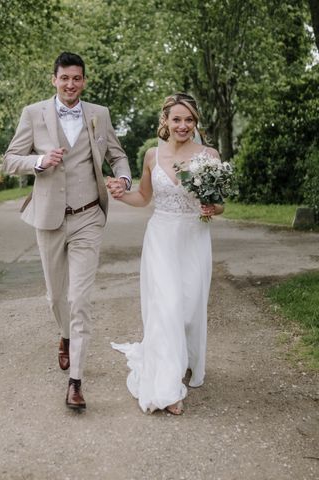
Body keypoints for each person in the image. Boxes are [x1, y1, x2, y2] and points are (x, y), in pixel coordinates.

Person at [2, 52, 132, 411]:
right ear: (54, 80)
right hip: (49, 218)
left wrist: (122, 177)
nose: (71, 84)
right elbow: (10, 159)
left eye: (77, 78)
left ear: (84, 81)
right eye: (65, 78)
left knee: (80, 299)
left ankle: (76, 381)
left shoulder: (99, 115)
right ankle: (64, 335)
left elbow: (118, 155)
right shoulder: (33, 113)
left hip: (88, 216)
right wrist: (39, 161)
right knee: (57, 297)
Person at [108, 93, 223, 415]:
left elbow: (220, 204)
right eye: (177, 119)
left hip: (194, 238)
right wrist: (120, 195)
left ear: (195, 123)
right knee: (167, 306)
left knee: (188, 308)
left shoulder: (208, 155)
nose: (183, 125)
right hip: (160, 237)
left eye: (188, 120)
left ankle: (183, 360)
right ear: (166, 122)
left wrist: (213, 207)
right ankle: (169, 388)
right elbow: (143, 198)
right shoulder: (151, 155)